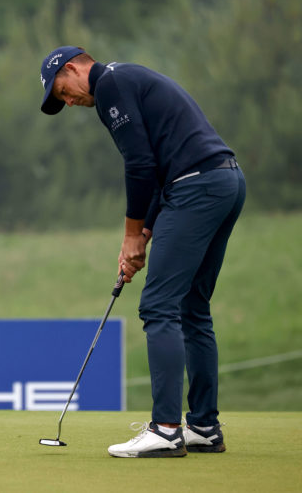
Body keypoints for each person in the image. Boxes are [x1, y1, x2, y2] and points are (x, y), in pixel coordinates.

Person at [39, 46, 245, 458]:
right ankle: (203, 426)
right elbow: (158, 166)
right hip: (224, 182)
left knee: (158, 307)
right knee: (192, 307)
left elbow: (139, 165)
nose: (69, 101)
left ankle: (166, 429)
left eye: (63, 91)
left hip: (195, 188)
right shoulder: (127, 78)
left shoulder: (110, 83)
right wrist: (147, 230)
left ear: (73, 67)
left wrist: (132, 236)